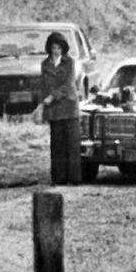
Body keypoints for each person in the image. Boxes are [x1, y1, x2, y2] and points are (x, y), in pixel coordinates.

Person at [39, 31, 82, 185]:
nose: (56, 51)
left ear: (63, 48)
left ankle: (74, 178)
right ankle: (58, 178)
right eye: (53, 47)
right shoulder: (45, 64)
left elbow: (69, 84)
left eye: (59, 48)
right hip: (54, 109)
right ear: (49, 48)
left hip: (69, 106)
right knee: (57, 144)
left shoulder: (69, 62)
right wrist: (43, 101)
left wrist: (53, 96)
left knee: (72, 144)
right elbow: (43, 84)